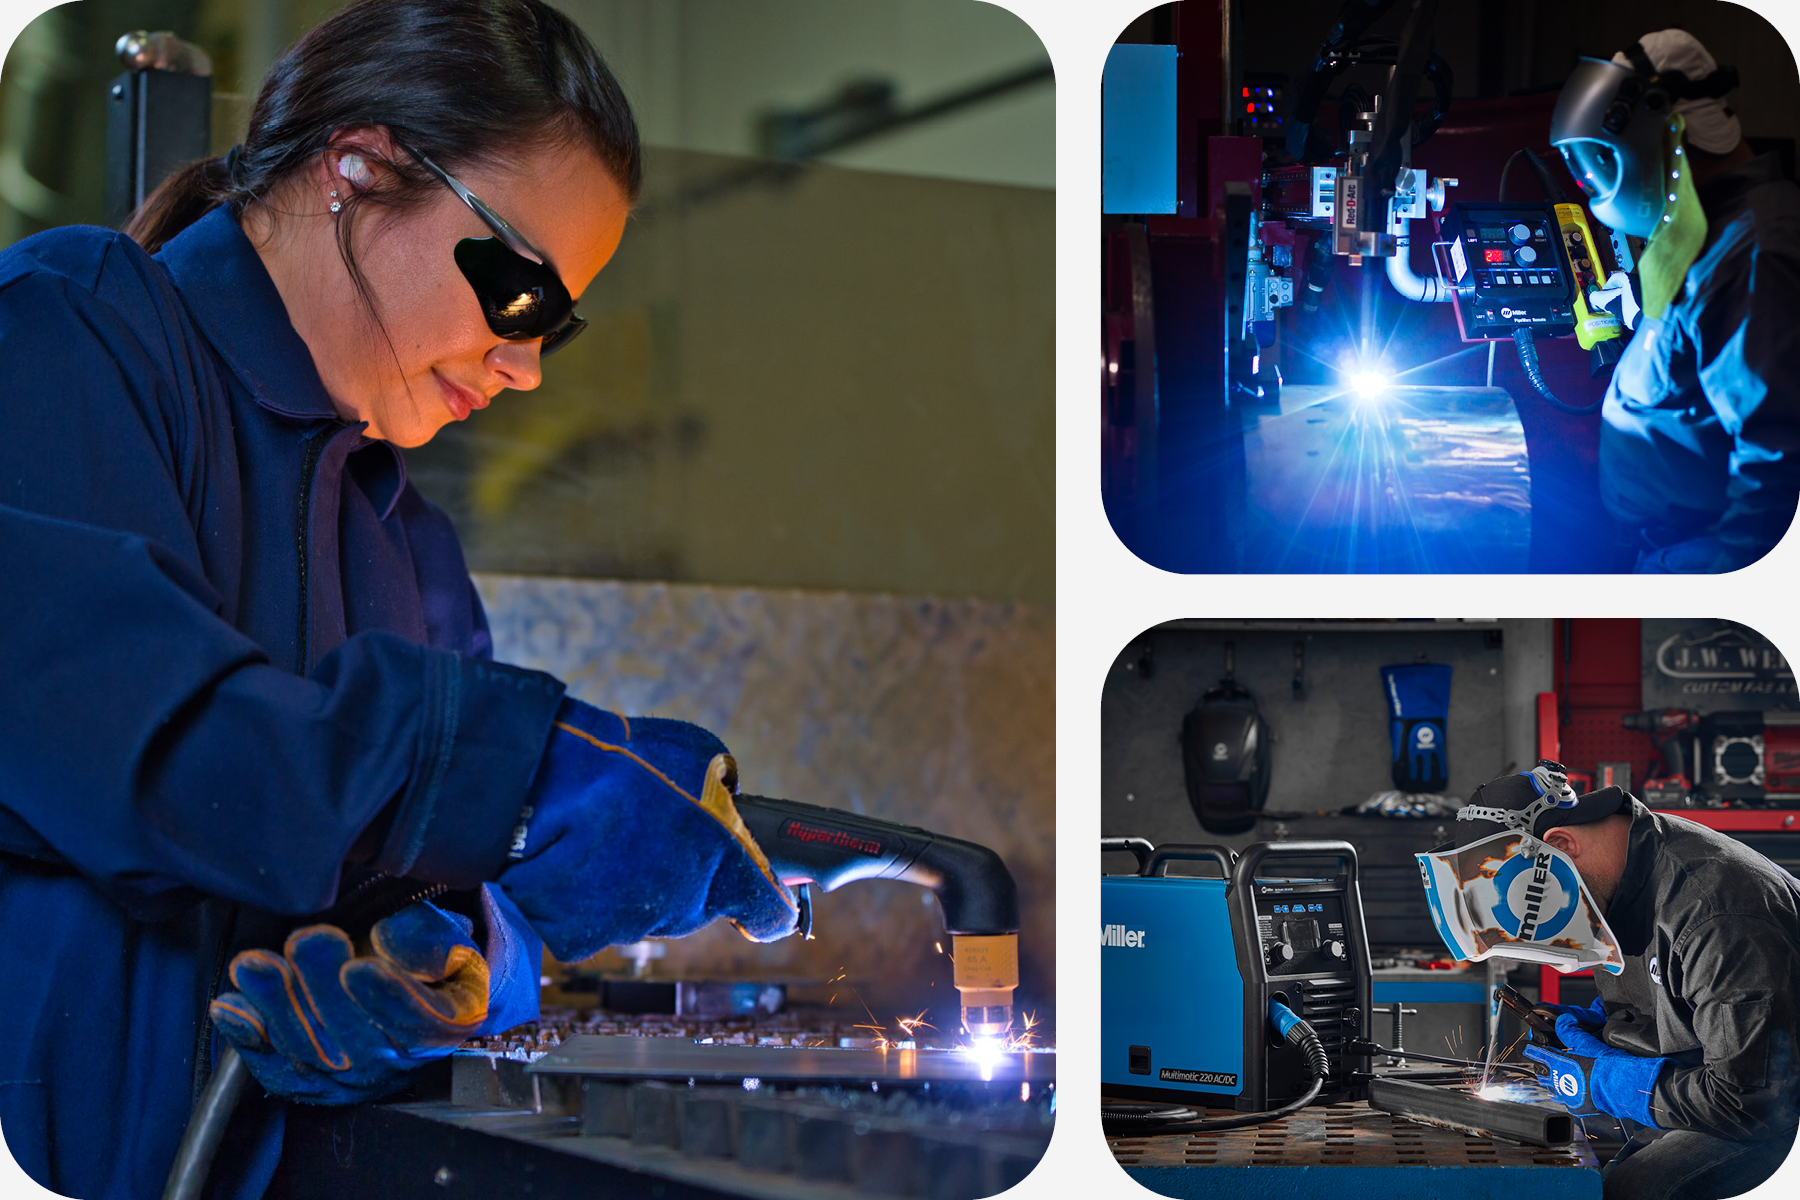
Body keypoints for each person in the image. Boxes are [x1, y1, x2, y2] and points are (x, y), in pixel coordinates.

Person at [0, 3, 799, 1197]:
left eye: (560, 327)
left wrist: (463, 974)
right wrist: (511, 776)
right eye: (521, 296)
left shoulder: (409, 550)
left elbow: (452, 891)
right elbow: (144, 736)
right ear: (361, 168)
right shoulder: (62, 330)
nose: (526, 364)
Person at [1419, 765, 1800, 1200]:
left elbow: (1748, 1101)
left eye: (1531, 903)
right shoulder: (1618, 877)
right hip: (1721, 1091)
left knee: (1631, 1189)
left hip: (1773, 1115)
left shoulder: (1716, 916)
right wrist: (1601, 1029)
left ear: (1560, 847)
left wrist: (1606, 1082)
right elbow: (1681, 999)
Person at [1549, 29, 1800, 572]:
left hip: (1706, 562)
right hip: (1666, 550)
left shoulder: (1757, 251)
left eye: (1605, 161)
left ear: (1665, 136)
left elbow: (1777, 457)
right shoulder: (1704, 232)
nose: (1598, 184)